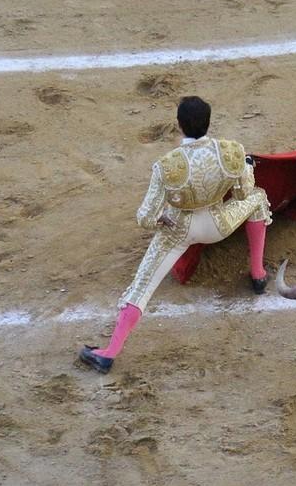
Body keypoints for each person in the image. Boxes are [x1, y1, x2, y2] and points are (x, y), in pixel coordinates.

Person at [79, 96, 272, 373]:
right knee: (257, 198)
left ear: (179, 125)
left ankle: (109, 353)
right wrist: (248, 166)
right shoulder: (231, 152)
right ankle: (257, 275)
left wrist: (162, 220)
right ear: (208, 122)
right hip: (219, 224)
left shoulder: (167, 166)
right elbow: (243, 192)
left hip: (179, 231)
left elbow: (144, 217)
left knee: (142, 286)